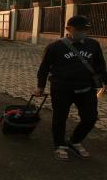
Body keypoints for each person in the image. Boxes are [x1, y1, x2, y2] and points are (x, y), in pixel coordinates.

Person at [36, 15, 107, 161]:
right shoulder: (55, 47)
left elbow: (100, 65)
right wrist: (40, 86)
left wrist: (105, 82)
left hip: (86, 88)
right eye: (79, 29)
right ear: (69, 29)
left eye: (86, 29)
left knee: (90, 118)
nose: (83, 32)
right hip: (62, 89)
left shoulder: (93, 44)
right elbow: (44, 67)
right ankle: (59, 145)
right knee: (60, 118)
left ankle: (74, 141)